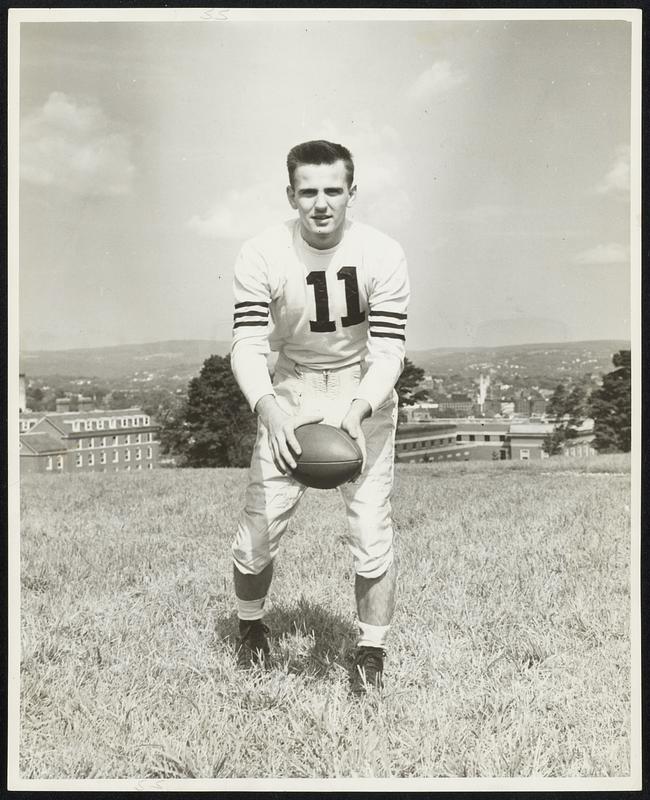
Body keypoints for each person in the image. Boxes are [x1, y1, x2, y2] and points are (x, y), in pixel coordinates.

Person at [230, 139, 410, 694]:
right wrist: (268, 408)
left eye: (333, 190)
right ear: (291, 195)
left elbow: (389, 352)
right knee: (259, 528)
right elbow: (246, 343)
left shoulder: (383, 252)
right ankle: (250, 624)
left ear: (352, 192)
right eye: (308, 191)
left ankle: (371, 653)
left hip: (362, 387)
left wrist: (359, 410)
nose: (321, 203)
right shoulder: (261, 251)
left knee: (371, 529)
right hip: (293, 387)